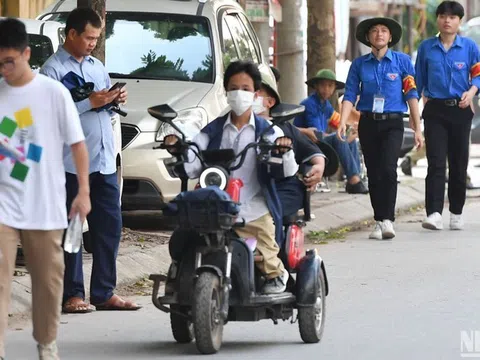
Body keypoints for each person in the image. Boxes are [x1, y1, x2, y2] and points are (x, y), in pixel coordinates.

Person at [0, 18, 90, 360]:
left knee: (49, 283)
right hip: (3, 205)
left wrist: (83, 192)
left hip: (44, 205)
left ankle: (47, 343)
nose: (5, 69)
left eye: (10, 61)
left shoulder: (53, 93)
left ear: (26, 54)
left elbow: (78, 145)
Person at [167, 60, 298, 294]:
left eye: (246, 89)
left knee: (268, 248)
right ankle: (181, 276)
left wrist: (282, 150)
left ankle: (277, 275)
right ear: (226, 92)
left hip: (253, 206)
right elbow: (191, 166)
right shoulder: (211, 131)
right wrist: (178, 150)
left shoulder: (268, 131)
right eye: (234, 88)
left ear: (256, 94)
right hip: (214, 206)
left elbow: (287, 171)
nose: (239, 94)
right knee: (185, 242)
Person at [40, 8, 140, 313]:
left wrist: (112, 100)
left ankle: (104, 292)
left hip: (104, 161)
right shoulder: (52, 71)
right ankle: (73, 294)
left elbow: (103, 108)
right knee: (72, 230)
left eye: (97, 38)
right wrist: (87, 103)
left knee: (109, 227)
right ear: (72, 34)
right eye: (89, 37)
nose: (93, 44)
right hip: (69, 165)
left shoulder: (98, 67)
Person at [336, 17, 423, 240]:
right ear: (368, 37)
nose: (379, 34)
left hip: (393, 122)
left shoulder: (403, 62)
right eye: (374, 31)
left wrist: (417, 125)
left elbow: (411, 94)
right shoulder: (359, 64)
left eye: (384, 30)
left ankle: (388, 220)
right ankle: (379, 220)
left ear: (390, 37)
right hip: (368, 122)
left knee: (388, 168)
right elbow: (350, 94)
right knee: (373, 173)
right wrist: (342, 122)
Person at [415, 1, 479, 230]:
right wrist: (417, 104)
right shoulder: (426, 48)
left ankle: (456, 212)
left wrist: (471, 93)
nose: (447, 20)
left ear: (459, 21)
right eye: (443, 16)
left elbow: (478, 76)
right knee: (435, 162)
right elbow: (417, 80)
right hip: (435, 111)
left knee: (459, 163)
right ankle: (433, 213)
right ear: (438, 19)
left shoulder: (469, 47)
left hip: (461, 110)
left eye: (452, 17)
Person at [252, 68, 326, 219]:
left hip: (278, 188)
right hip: (238, 189)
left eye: (255, 90)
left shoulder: (283, 128)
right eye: (238, 89)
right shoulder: (225, 126)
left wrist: (318, 168)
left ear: (270, 101)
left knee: (266, 214)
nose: (247, 95)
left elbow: (313, 152)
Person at [294, 69, 369, 194]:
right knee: (339, 137)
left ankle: (355, 179)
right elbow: (316, 134)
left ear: (334, 88)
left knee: (349, 140)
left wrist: (351, 129)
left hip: (318, 142)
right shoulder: (310, 104)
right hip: (307, 144)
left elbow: (338, 123)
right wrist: (342, 135)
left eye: (330, 86)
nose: (326, 89)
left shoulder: (326, 105)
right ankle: (354, 179)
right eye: (323, 85)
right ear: (316, 86)